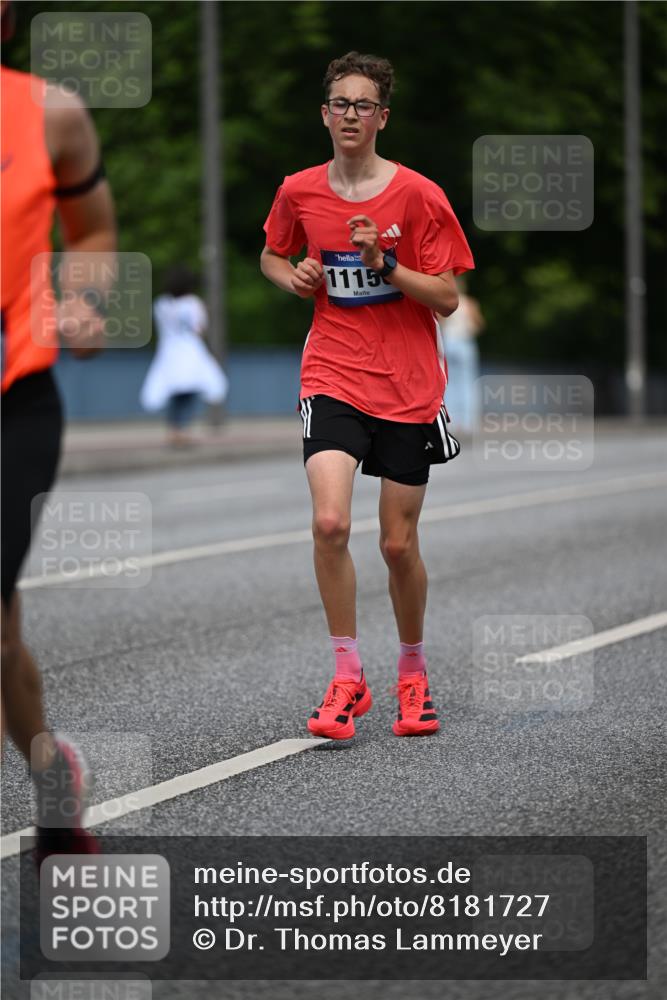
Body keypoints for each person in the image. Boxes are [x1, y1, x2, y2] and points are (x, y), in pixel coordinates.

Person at [260, 51, 474, 739]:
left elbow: (445, 296)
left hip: (407, 385)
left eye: (363, 105)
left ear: (383, 117)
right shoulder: (298, 191)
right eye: (339, 104)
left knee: (394, 544)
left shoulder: (417, 196)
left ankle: (411, 673)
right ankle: (347, 678)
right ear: (325, 115)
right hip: (332, 371)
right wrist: (288, 276)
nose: (350, 115)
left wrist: (386, 264)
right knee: (328, 523)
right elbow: (271, 252)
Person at [1, 0, 116, 857]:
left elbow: (95, 230)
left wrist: (82, 296)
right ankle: (50, 777)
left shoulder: (52, 114)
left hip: (16, 399)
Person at [140, 265, 228, 447]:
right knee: (190, 390)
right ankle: (182, 429)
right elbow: (199, 329)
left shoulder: (160, 304)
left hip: (169, 351)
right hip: (190, 351)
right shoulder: (193, 303)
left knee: (174, 391)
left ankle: (173, 428)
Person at [436, 275, 485, 435]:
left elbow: (439, 322)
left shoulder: (446, 302)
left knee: (448, 383)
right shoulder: (469, 304)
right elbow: (479, 324)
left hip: (448, 342)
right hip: (464, 342)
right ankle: (468, 422)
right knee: (467, 383)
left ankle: (451, 421)